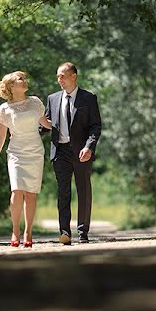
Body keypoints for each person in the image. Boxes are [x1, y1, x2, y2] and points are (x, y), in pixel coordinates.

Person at [0, 71, 52, 247]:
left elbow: (46, 124)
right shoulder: (4, 109)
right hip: (16, 152)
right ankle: (15, 230)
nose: (24, 81)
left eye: (24, 78)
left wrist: (67, 129)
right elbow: (0, 136)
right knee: (16, 191)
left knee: (31, 194)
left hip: (35, 151)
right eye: (20, 79)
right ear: (11, 87)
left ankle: (28, 232)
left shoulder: (35, 102)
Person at [41, 62, 101, 245]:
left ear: (74, 75)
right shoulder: (52, 99)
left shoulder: (88, 98)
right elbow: (44, 125)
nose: (60, 80)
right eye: (58, 77)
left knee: (83, 191)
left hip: (82, 151)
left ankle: (83, 232)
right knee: (63, 192)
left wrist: (89, 147)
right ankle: (65, 232)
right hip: (60, 152)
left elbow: (95, 126)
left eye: (63, 76)